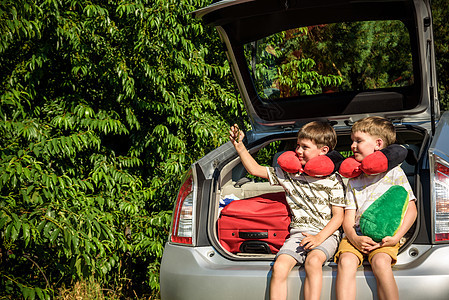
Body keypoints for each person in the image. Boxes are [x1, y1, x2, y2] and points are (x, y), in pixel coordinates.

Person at [229, 121, 345, 300]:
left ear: (323, 150)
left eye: (305, 147)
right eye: (298, 145)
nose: (298, 151)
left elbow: (338, 217)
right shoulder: (289, 175)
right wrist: (240, 147)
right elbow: (254, 169)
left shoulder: (334, 180)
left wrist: (318, 238)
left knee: (313, 262)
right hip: (298, 236)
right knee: (280, 266)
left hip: (326, 235)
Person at [334, 116, 417, 300]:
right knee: (346, 261)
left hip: (385, 238)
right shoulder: (354, 179)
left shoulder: (395, 173)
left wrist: (395, 237)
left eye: (358, 141)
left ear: (378, 144)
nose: (352, 146)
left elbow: (411, 210)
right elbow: (348, 218)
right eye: (352, 141)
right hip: (356, 235)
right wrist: (355, 238)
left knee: (381, 262)